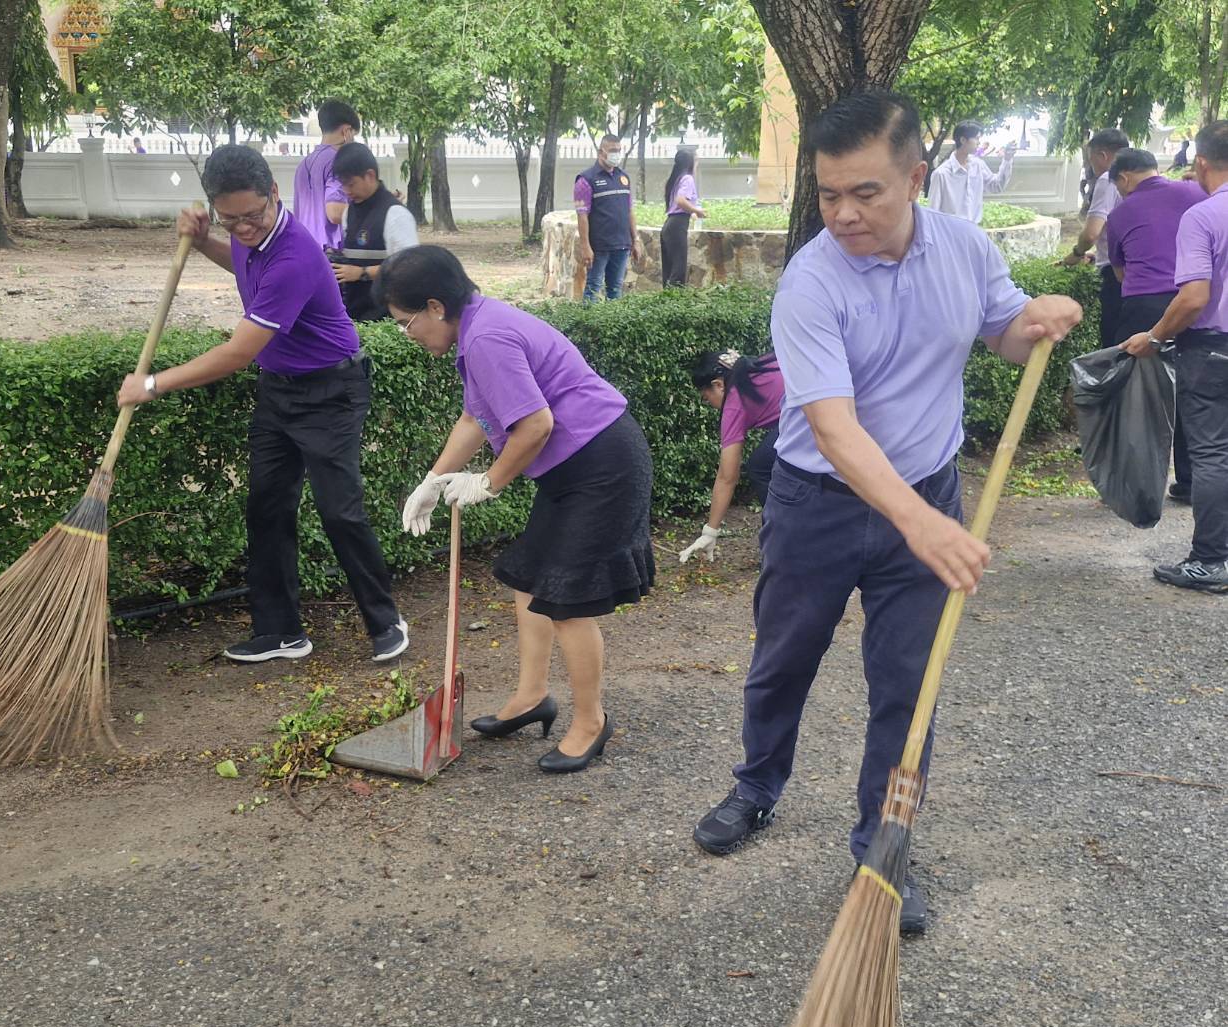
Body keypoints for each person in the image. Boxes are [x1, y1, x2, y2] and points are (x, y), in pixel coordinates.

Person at [689, 91, 1080, 935]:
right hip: (816, 504)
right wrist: (921, 522)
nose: (842, 213)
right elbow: (831, 428)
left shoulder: (966, 250)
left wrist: (1033, 320)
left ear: (915, 177)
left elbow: (1003, 333)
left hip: (926, 497)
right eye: (828, 194)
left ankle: (881, 844)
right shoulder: (811, 279)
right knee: (782, 659)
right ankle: (756, 786)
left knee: (909, 682)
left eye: (863, 192)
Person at [116, 145, 409, 664]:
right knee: (267, 508)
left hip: (331, 391)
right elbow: (240, 261)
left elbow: (237, 353)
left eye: (251, 216)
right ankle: (281, 633)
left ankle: (386, 620)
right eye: (230, 218)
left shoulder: (295, 254)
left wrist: (153, 384)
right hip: (281, 388)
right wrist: (205, 236)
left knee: (339, 511)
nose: (243, 228)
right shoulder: (248, 237)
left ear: (274, 194)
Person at [383, 245, 655, 773]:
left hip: (603, 465)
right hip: (575, 467)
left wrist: (489, 481)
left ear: (436, 307)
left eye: (405, 322)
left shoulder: (485, 336)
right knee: (529, 576)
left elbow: (536, 425)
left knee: (568, 600)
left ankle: (591, 721)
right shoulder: (478, 327)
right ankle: (533, 698)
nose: (406, 334)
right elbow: (474, 418)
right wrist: (433, 481)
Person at [1122, 121, 1228, 593]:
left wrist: (1155, 336)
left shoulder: (1205, 217)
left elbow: (1193, 299)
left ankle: (1209, 561)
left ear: (1201, 163)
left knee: (1211, 455)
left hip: (1212, 350)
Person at [1107, 148, 1206, 503]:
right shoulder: (1196, 193)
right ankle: (1192, 481)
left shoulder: (1120, 212)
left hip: (1142, 306)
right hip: (1193, 301)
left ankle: (1131, 484)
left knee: (1134, 392)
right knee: (1189, 388)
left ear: (1124, 177)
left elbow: (1120, 273)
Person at [678, 350, 783, 563]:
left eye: (706, 398)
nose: (710, 404)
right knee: (767, 461)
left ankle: (783, 543)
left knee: (760, 467)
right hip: (828, 399)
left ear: (718, 384)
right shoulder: (758, 365)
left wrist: (710, 531)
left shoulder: (734, 402)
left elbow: (727, 476)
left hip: (811, 413)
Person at [328, 142, 418, 322]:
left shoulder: (395, 214)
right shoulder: (349, 213)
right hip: (355, 315)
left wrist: (362, 272)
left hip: (386, 321)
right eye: (343, 185)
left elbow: (410, 267)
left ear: (370, 175)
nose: (347, 191)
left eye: (351, 184)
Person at [1060, 128, 1130, 348]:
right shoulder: (1138, 177)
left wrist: (1077, 253)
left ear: (1103, 156)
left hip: (1115, 272)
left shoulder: (1108, 180)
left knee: (1113, 343)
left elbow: (1091, 232)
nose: (1092, 167)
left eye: (1091, 161)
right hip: (1140, 271)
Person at [575, 134, 642, 301]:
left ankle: (612, 326)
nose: (616, 154)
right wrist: (585, 246)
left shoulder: (623, 178)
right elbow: (582, 215)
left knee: (616, 289)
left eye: (619, 150)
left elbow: (629, 211)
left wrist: (636, 240)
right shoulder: (585, 180)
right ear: (601, 151)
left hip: (621, 245)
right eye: (612, 150)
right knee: (594, 288)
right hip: (599, 247)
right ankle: (589, 325)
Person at [293, 99, 357, 252]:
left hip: (306, 249)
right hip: (332, 254)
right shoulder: (338, 161)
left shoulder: (303, 165)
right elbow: (335, 212)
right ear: (346, 131)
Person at [927, 122, 1014, 223]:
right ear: (963, 140)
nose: (978, 142)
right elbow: (933, 212)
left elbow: (996, 186)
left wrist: (1007, 159)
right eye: (976, 138)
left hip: (974, 231)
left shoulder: (978, 165)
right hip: (950, 233)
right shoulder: (941, 174)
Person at [661, 148, 707, 287]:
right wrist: (696, 211)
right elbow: (680, 201)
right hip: (677, 225)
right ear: (691, 162)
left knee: (669, 269)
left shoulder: (677, 179)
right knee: (678, 269)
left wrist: (692, 212)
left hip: (670, 225)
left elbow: (680, 203)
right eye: (696, 160)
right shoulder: (687, 178)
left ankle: (667, 300)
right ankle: (675, 301)